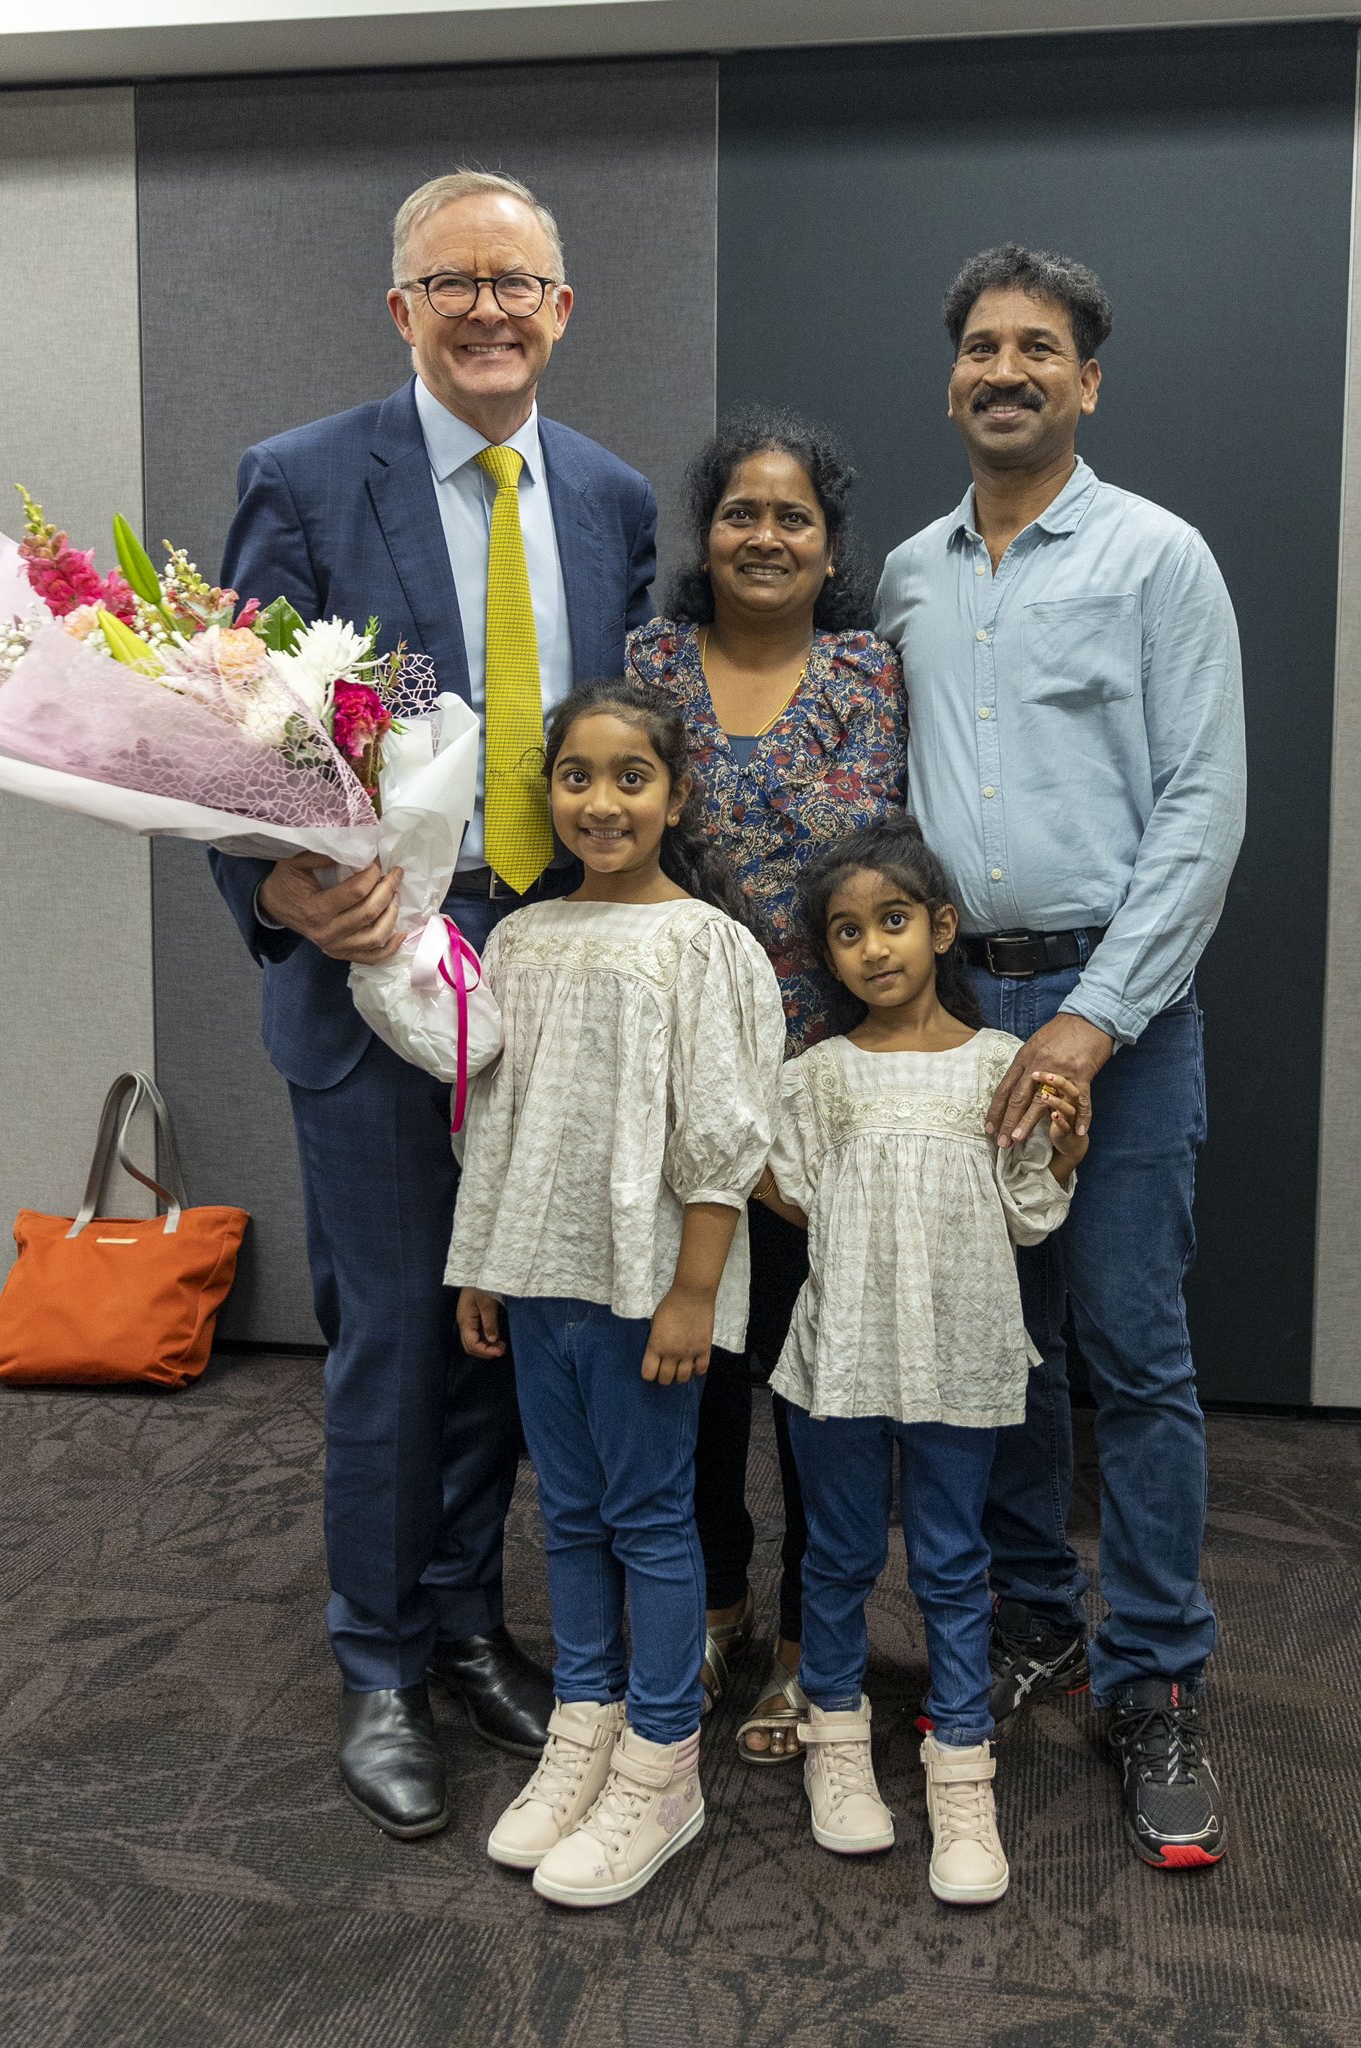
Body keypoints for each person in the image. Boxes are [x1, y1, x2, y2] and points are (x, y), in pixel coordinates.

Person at [209, 170, 658, 1841]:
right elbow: (223, 725)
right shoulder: (308, 477)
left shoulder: (611, 498)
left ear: (561, 309)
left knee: (506, 1331)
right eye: (452, 280)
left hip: (547, 988)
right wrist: (274, 887)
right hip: (373, 971)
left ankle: (471, 1619)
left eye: (518, 281)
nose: (488, 307)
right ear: (401, 308)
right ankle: (381, 1659)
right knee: (396, 1334)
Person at [875, 243, 1245, 1869]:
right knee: (1000, 1346)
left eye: (1037, 346)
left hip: (1124, 1011)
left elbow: (1202, 810)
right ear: (950, 378)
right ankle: (1038, 1614)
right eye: (978, 345)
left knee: (1132, 1352)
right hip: (958, 1014)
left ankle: (1157, 1673)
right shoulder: (904, 574)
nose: (1003, 368)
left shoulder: (1160, 560)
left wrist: (1092, 1026)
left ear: (1087, 380)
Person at [450, 678, 785, 1906]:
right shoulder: (523, 940)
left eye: (630, 776)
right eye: (577, 776)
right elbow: (495, 1116)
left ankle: (661, 1756)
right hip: (539, 1274)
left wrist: (697, 1290)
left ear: (675, 793)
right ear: (549, 796)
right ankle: (582, 1719)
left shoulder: (706, 944)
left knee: (651, 1518)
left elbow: (726, 1135)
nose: (602, 800)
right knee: (574, 1512)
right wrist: (483, 1260)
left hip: (648, 1288)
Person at [627, 409, 906, 1764]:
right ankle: (715, 1605)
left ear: (829, 544)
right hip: (679, 1085)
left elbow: (885, 872)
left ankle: (808, 1643)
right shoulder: (647, 667)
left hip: (818, 1095)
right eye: (741, 509)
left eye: (794, 515)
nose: (765, 534)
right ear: (706, 530)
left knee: (809, 1379)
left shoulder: (867, 672)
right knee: (693, 1370)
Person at [757, 815, 1083, 1901]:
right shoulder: (817, 1076)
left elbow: (1029, 1216)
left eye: (893, 919)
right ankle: (837, 1747)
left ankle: (960, 1778)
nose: (874, 947)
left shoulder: (1003, 1066)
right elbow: (792, 1193)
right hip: (842, 1355)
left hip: (961, 1356)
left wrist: (1061, 1146)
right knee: (839, 1557)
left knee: (951, 1564)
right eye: (846, 932)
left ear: (941, 927)